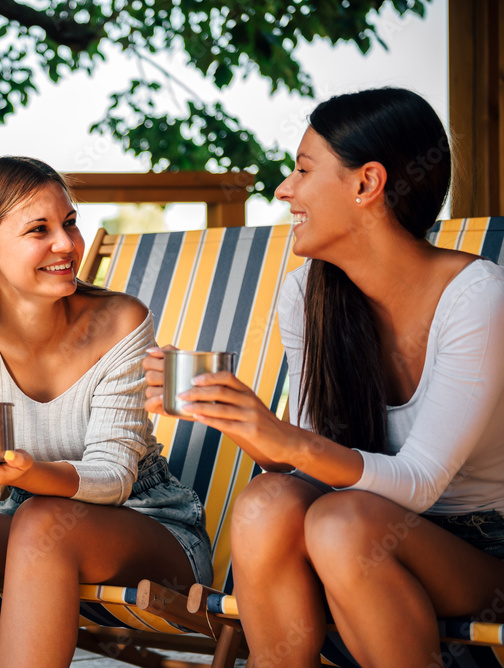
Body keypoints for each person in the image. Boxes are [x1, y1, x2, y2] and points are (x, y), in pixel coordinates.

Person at [143, 87, 504, 667]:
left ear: (367, 184)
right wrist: (236, 418)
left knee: (340, 523)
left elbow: (418, 484)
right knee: (268, 501)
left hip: (481, 549)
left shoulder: (478, 301)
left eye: (303, 169)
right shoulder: (309, 293)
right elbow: (317, 464)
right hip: (356, 535)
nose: (284, 189)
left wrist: (285, 439)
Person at [0, 156, 212, 668]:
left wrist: (27, 472)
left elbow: (113, 477)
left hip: (147, 524)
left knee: (44, 520)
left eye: (69, 222)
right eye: (39, 230)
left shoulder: (119, 321)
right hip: (24, 522)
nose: (66, 244)